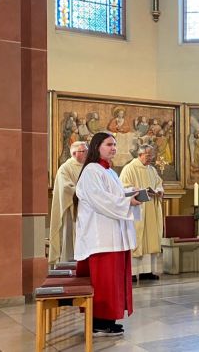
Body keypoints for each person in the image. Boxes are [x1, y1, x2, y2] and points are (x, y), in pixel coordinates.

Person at [75, 132, 141, 336]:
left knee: (114, 280)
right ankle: (98, 321)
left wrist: (130, 193)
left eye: (115, 145)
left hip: (113, 233)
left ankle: (108, 319)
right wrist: (126, 201)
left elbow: (113, 195)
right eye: (109, 144)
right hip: (101, 236)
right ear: (97, 147)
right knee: (104, 281)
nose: (113, 148)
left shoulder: (110, 172)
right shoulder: (91, 171)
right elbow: (99, 199)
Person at [119, 145, 164, 281]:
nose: (150, 158)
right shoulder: (129, 168)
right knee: (137, 239)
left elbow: (159, 183)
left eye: (151, 155)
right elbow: (124, 187)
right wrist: (140, 190)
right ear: (140, 154)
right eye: (148, 155)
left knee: (150, 239)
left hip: (150, 208)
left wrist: (158, 190)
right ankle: (132, 273)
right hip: (137, 208)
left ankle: (147, 271)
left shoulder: (152, 170)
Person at [49, 141, 88, 265]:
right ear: (74, 153)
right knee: (70, 238)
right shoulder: (65, 168)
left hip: (88, 210)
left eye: (87, 150)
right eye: (84, 151)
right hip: (72, 209)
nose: (87, 153)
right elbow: (66, 188)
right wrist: (85, 193)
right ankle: (69, 264)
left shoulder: (89, 166)